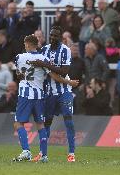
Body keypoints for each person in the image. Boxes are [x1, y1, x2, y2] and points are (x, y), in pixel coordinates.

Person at [12, 34, 78, 163]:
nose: (24, 46)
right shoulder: (44, 58)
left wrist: (22, 74)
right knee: (41, 125)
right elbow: (55, 76)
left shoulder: (19, 57)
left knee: (18, 123)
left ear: (29, 44)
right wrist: (69, 82)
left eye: (25, 44)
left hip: (25, 94)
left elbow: (19, 74)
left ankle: (26, 151)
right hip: (40, 95)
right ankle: (44, 155)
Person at [29, 26, 78, 162]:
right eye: (51, 35)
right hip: (49, 93)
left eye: (55, 36)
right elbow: (39, 68)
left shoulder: (65, 51)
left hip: (64, 91)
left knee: (68, 120)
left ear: (61, 38)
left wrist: (44, 64)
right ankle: (42, 153)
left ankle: (71, 154)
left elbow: (63, 71)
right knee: (47, 123)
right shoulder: (44, 50)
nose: (52, 38)